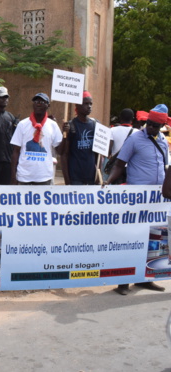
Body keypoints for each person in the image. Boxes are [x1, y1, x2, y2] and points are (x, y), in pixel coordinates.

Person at [105, 104, 169, 295]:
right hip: (137, 198)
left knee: (154, 239)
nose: (150, 128)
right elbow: (119, 164)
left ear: (161, 127)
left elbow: (165, 167)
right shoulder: (134, 139)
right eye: (148, 124)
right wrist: (108, 183)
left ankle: (145, 279)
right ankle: (123, 282)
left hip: (158, 199)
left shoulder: (163, 140)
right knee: (132, 238)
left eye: (155, 126)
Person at [10, 93, 63, 185]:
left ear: (48, 105)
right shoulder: (23, 124)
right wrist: (13, 176)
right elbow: (16, 151)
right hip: (24, 177)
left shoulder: (52, 125)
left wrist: (66, 135)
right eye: (36, 101)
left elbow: (60, 150)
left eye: (42, 101)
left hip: (44, 177)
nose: (38, 104)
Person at [61, 91, 99, 185]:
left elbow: (98, 155)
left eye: (90, 104)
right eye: (86, 103)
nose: (89, 106)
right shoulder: (70, 126)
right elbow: (64, 155)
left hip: (91, 177)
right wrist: (67, 180)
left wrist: (98, 175)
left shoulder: (95, 125)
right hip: (75, 178)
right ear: (77, 106)